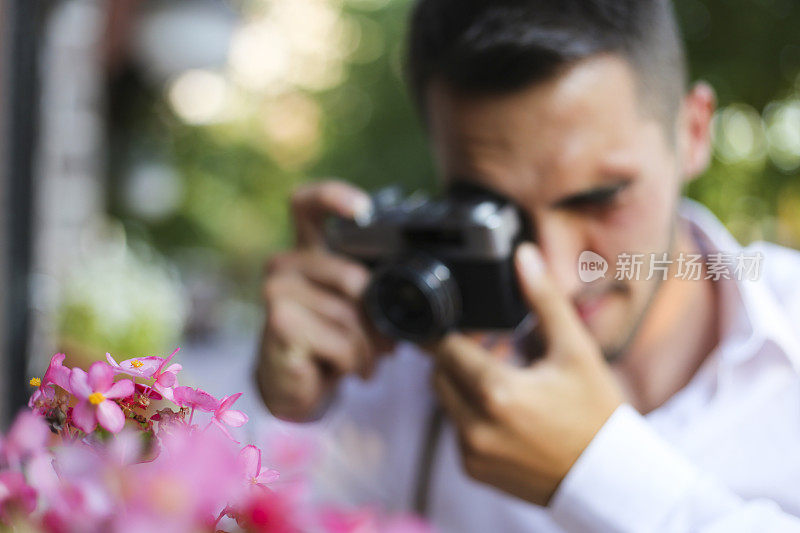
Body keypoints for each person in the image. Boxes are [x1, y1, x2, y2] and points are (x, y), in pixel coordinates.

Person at [255, 0, 800, 530]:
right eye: (493, 218)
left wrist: (597, 471)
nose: (555, 275)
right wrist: (292, 409)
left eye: (599, 198)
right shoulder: (398, 367)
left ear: (694, 131)